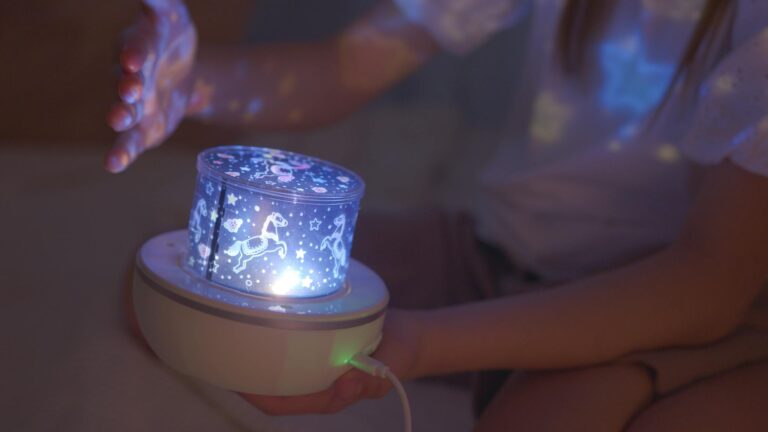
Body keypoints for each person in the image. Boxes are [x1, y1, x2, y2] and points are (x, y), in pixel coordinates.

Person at [108, 0, 768, 430]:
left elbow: (710, 283)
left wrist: (419, 343)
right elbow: (347, 65)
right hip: (492, 251)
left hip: (658, 304)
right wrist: (191, 85)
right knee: (176, 302)